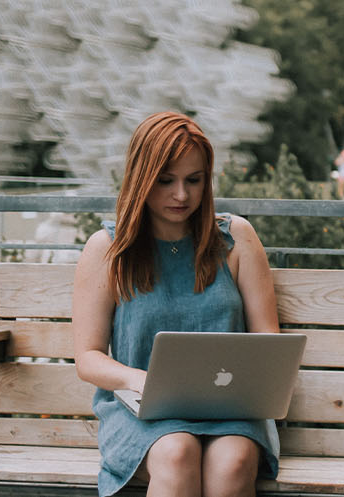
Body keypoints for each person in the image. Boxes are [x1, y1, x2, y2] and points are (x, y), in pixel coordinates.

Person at [71, 112, 283, 497]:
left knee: (232, 462)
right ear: (141, 178)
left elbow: (268, 339)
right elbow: (87, 357)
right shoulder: (107, 250)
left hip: (231, 412)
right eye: (166, 181)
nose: (181, 195)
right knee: (177, 452)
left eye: (194, 180)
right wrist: (140, 381)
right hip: (144, 414)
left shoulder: (237, 239)